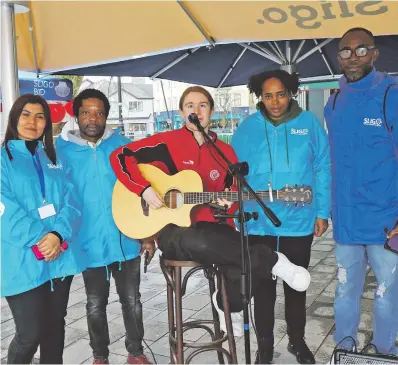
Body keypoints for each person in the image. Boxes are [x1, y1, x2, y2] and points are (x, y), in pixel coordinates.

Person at [110, 85, 312, 340]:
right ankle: (271, 261)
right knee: (205, 240)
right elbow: (119, 155)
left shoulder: (224, 153)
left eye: (202, 105)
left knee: (230, 242)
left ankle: (231, 305)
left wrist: (231, 204)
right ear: (181, 112)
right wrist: (144, 189)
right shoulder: (165, 142)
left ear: (211, 112)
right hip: (173, 232)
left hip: (214, 229)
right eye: (190, 106)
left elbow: (233, 194)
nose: (196, 111)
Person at [231, 70, 330, 364]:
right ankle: (264, 347)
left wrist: (323, 212)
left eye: (281, 94)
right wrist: (237, 215)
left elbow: (324, 167)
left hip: (298, 223)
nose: (275, 101)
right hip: (258, 224)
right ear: (260, 97)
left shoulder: (310, 124)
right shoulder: (247, 128)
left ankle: (297, 343)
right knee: (263, 289)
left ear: (292, 93)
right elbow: (233, 176)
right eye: (268, 95)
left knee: (296, 285)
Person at [56, 89, 154, 365]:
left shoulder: (123, 146)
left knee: (132, 301)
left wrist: (147, 235)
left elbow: (142, 191)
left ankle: (136, 353)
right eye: (86, 112)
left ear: (106, 116)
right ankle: (100, 356)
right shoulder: (61, 150)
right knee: (95, 305)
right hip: (87, 243)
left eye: (99, 112)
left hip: (126, 238)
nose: (92, 118)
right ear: (76, 116)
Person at [324, 27, 398, 354]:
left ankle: (384, 352)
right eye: (345, 51)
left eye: (361, 50)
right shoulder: (334, 102)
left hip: (386, 222)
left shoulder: (391, 95)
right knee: (344, 291)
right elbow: (334, 162)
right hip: (347, 222)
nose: (352, 57)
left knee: (386, 293)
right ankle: (345, 350)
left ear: (375, 53)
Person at [0, 94, 85, 364]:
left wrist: (58, 234)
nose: (32, 121)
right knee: (29, 334)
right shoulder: (3, 159)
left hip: (59, 256)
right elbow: (5, 210)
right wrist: (41, 238)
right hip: (22, 258)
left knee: (54, 329)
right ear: (14, 118)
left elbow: (73, 202)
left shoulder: (55, 158)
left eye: (40, 116)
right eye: (25, 114)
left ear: (47, 123)